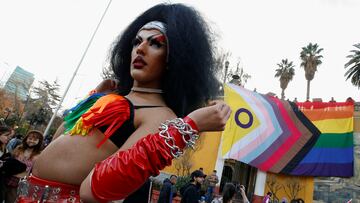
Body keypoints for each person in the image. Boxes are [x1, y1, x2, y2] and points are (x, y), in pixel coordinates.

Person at [17, 3, 231, 203]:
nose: (141, 49)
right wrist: (92, 99)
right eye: (137, 41)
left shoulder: (160, 115)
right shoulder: (112, 98)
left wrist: (187, 127)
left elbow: (93, 190)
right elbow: (58, 139)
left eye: (155, 43)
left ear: (174, 59)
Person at [5, 130, 43, 202]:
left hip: (21, 181)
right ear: (26, 139)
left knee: (11, 200)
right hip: (8, 177)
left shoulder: (39, 155)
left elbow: (35, 171)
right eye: (30, 138)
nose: (31, 141)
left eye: (35, 140)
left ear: (39, 141)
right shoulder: (19, 148)